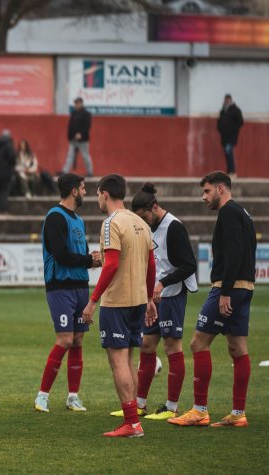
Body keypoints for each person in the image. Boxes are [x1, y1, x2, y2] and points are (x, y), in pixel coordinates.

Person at [169, 171, 256, 428]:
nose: (203, 197)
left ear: (220, 189)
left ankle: (199, 410)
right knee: (237, 348)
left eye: (207, 191)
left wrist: (225, 291)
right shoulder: (243, 213)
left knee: (198, 343)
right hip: (245, 287)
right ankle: (238, 413)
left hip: (229, 288)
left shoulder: (228, 212)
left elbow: (235, 252)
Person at [110, 182, 197, 421]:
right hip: (154, 298)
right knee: (147, 345)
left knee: (171, 347)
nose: (143, 221)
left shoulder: (174, 227)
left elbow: (189, 265)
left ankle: (171, 406)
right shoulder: (147, 228)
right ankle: (139, 404)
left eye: (144, 217)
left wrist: (163, 283)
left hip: (172, 295)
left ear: (155, 207)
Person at [81, 174, 156, 438]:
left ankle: (132, 423)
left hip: (117, 302)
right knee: (129, 359)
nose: (97, 199)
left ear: (104, 193)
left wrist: (92, 301)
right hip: (138, 300)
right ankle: (133, 419)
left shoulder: (111, 222)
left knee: (118, 361)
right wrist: (149, 299)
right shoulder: (141, 222)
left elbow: (111, 264)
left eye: (97, 194)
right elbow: (151, 264)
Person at [34, 173, 101, 414]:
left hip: (80, 285)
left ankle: (73, 397)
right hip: (60, 286)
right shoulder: (55, 217)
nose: (85, 192)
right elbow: (61, 254)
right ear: (74, 190)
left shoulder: (79, 221)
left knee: (78, 339)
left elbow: (80, 255)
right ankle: (42, 396)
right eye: (82, 188)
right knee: (64, 339)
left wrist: (92, 258)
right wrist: (89, 260)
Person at [61, 97, 93, 177]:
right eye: (75, 104)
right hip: (73, 139)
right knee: (70, 155)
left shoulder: (86, 114)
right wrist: (70, 136)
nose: (76, 105)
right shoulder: (74, 113)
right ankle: (65, 171)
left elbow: (87, 126)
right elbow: (70, 125)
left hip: (83, 140)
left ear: (81, 104)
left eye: (77, 103)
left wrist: (80, 133)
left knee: (85, 155)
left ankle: (90, 172)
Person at [217, 94, 244, 178]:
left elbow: (240, 122)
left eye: (228, 100)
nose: (226, 101)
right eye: (225, 100)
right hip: (224, 136)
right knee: (227, 153)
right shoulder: (223, 111)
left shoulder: (235, 110)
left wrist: (233, 129)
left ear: (231, 100)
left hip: (231, 136)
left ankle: (232, 172)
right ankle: (229, 171)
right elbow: (219, 121)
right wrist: (220, 128)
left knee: (228, 152)